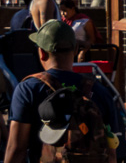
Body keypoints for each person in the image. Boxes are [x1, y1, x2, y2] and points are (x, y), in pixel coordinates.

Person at [4, 21, 117, 163]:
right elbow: (115, 148)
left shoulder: (28, 89)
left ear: (41, 53)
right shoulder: (100, 91)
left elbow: (16, 149)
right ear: (76, 49)